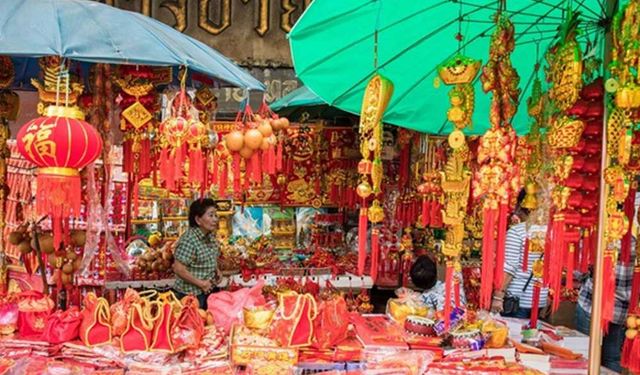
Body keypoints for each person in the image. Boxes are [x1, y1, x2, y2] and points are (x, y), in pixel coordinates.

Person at [575, 245, 634, 373]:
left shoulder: (604, 234)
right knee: (611, 358)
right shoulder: (636, 241)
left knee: (583, 353)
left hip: (591, 303)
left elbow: (580, 267)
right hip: (619, 310)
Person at [491, 190, 549, 319]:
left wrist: (497, 297)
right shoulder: (550, 232)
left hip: (517, 300)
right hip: (539, 299)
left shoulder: (517, 231)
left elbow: (509, 267)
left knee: (513, 337)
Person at [172, 198, 221, 310]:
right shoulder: (189, 240)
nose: (215, 219)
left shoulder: (210, 236)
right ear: (198, 220)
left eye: (215, 215)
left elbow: (210, 257)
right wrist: (201, 284)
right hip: (191, 296)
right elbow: (178, 269)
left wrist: (217, 270)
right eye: (211, 215)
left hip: (207, 291)